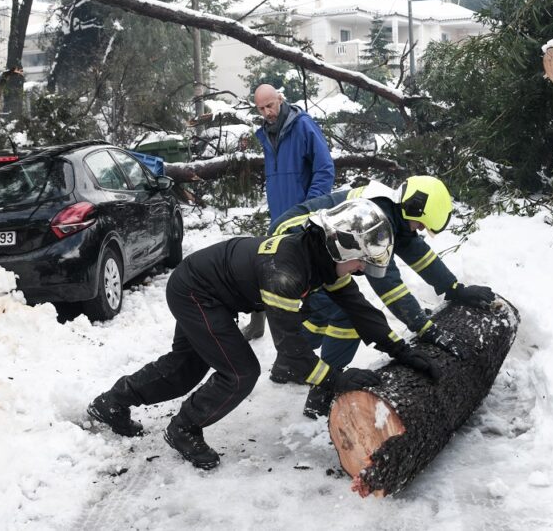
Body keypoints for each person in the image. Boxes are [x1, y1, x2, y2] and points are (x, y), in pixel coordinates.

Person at [87, 199, 439, 470]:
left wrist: (401, 350)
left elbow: (361, 311)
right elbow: (292, 354)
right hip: (196, 291)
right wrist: (337, 379)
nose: (363, 268)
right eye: (361, 260)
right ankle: (183, 428)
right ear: (343, 247)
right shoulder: (285, 273)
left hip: (211, 290)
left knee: (185, 367)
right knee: (239, 373)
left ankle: (111, 403)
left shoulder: (320, 257)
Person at [267, 176, 497, 417]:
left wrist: (453, 287)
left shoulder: (396, 210)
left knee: (320, 310)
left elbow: (419, 255)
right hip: (290, 243)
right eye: (420, 225)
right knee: (346, 316)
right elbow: (388, 284)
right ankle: (323, 391)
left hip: (310, 245)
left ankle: (287, 365)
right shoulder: (378, 218)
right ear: (412, 208)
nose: (420, 230)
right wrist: (424, 327)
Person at [241, 84, 335, 340]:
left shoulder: (303, 126)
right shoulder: (266, 134)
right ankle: (262, 323)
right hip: (280, 218)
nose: (267, 112)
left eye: (270, 105)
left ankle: (323, 325)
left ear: (280, 99)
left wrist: (310, 208)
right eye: (261, 108)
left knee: (312, 273)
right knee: (273, 268)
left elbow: (325, 169)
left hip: (305, 218)